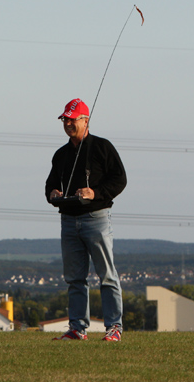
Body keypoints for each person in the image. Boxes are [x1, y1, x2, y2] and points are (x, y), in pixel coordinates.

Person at [45, 98, 127, 341]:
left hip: (97, 219)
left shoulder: (102, 147)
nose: (68, 124)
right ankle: (77, 329)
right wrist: (53, 194)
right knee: (74, 279)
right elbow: (50, 184)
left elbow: (120, 180)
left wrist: (95, 193)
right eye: (65, 120)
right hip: (68, 221)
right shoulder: (60, 154)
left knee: (107, 275)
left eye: (72, 119)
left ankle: (114, 328)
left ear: (85, 120)